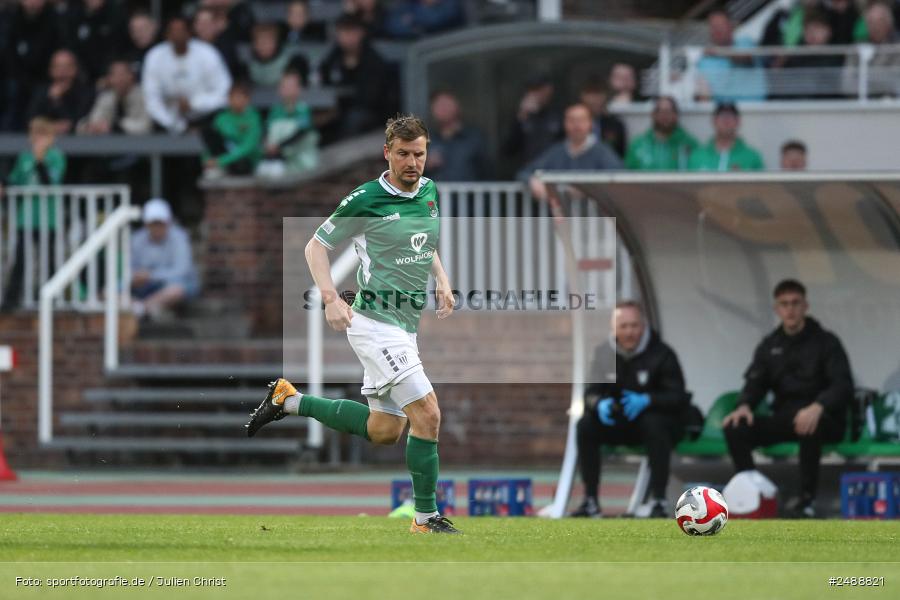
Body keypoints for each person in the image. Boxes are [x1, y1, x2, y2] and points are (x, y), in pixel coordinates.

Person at [246, 115, 461, 535]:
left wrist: (443, 280)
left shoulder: (430, 192)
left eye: (419, 154)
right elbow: (315, 247)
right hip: (374, 324)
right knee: (429, 414)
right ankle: (425, 519)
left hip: (404, 326)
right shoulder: (365, 199)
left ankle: (288, 401)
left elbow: (425, 242)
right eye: (403, 154)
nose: (412, 162)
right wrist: (329, 298)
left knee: (384, 430)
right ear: (387, 153)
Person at [722, 279, 853, 518]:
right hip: (785, 417)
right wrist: (743, 405)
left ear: (805, 306)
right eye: (784, 304)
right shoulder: (770, 345)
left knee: (808, 425)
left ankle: (806, 501)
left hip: (824, 419)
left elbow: (842, 385)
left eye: (795, 303)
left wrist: (818, 406)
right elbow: (755, 382)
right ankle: (754, 496)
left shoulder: (826, 342)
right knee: (736, 426)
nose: (790, 309)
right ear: (777, 309)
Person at [570, 301, 690, 518]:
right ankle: (590, 500)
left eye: (634, 326)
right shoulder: (603, 353)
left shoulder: (662, 354)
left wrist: (648, 400)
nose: (629, 332)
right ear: (613, 328)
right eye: (623, 326)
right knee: (585, 425)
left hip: (652, 425)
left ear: (643, 326)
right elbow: (590, 393)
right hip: (618, 422)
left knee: (654, 424)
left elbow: (677, 396)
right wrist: (598, 404)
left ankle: (659, 500)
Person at [1, 116, 66, 311]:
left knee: (49, 259)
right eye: (35, 133)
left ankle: (52, 297)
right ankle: (11, 299)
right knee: (20, 258)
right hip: (26, 218)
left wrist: (40, 159)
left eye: (42, 134)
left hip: (49, 218)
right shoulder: (24, 157)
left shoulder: (56, 156)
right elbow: (15, 180)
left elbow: (50, 181)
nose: (37, 138)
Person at [142, 16, 231, 134]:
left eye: (181, 31)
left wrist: (194, 104)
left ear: (190, 33)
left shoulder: (208, 54)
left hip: (207, 118)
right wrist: (175, 125)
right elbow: (151, 99)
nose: (177, 35)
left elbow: (224, 93)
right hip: (167, 121)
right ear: (166, 35)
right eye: (173, 31)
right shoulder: (155, 56)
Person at [518, 103, 623, 202]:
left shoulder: (602, 152)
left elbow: (620, 177)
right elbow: (525, 172)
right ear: (564, 123)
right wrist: (533, 180)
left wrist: (589, 189)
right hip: (562, 218)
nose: (576, 125)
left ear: (590, 123)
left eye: (581, 120)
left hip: (594, 218)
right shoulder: (556, 152)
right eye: (571, 120)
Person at [318, 13, 396, 140]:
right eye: (344, 32)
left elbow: (371, 99)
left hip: (372, 115)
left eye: (352, 31)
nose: (348, 37)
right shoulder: (333, 58)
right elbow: (324, 81)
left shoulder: (373, 60)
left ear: (361, 33)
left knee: (355, 118)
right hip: (338, 111)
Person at [130, 198, 199, 320]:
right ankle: (149, 309)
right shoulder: (137, 239)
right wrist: (135, 277)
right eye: (153, 223)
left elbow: (182, 270)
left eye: (160, 223)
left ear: (168, 222)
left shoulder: (179, 238)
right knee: (109, 292)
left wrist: (151, 275)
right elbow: (131, 268)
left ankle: (142, 308)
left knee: (176, 289)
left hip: (172, 284)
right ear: (146, 224)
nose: (157, 227)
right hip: (144, 286)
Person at [2, 0, 60, 131]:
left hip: (44, 75)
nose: (33, 2)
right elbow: (9, 55)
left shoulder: (52, 18)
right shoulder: (12, 18)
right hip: (17, 76)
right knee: (13, 89)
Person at [696, 9, 767, 101]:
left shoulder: (745, 42)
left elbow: (746, 58)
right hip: (721, 112)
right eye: (713, 26)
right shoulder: (704, 60)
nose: (717, 30)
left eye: (721, 25)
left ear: (731, 26)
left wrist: (718, 52)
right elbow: (702, 93)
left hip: (753, 109)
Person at [258, 70, 319, 177]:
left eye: (291, 86)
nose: (287, 89)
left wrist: (279, 147)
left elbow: (301, 133)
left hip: (299, 156)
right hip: (274, 154)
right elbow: (267, 129)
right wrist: (267, 143)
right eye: (284, 86)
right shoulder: (275, 110)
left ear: (298, 89)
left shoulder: (302, 109)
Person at [201, 81, 262, 178]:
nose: (237, 100)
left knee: (241, 165)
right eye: (233, 97)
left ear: (247, 99)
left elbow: (247, 147)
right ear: (229, 99)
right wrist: (207, 160)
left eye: (240, 97)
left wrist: (221, 161)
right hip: (225, 157)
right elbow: (212, 143)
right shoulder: (221, 118)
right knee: (207, 131)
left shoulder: (253, 118)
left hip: (246, 160)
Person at [426, 90, 490, 181]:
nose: (443, 109)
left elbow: (487, 172)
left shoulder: (474, 138)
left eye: (446, 104)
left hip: (470, 193)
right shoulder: (426, 141)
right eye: (438, 105)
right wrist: (425, 165)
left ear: (457, 106)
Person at [27, 49, 94, 135]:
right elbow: (31, 120)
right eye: (58, 67)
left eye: (67, 67)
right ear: (51, 70)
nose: (62, 72)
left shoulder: (85, 93)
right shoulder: (41, 92)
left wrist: (57, 101)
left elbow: (79, 122)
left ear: (75, 69)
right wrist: (50, 127)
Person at [503, 75, 562, 169]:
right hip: (528, 172)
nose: (540, 94)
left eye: (543, 90)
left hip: (554, 170)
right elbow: (508, 151)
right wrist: (521, 117)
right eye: (536, 90)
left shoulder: (557, 115)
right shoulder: (520, 117)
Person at [77, 61, 151, 135]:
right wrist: (91, 126)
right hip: (110, 144)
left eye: (123, 74)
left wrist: (115, 126)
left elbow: (146, 127)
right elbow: (93, 121)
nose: (119, 79)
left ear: (132, 76)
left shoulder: (144, 95)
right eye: (115, 75)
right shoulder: (106, 97)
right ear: (109, 78)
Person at [843, 2, 900, 98]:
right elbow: (846, 85)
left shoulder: (897, 48)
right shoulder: (855, 48)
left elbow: (895, 81)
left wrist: (863, 78)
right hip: (859, 105)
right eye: (871, 22)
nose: (876, 26)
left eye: (880, 21)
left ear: (889, 23)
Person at [625, 96, 698, 171]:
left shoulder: (690, 144)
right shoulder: (638, 145)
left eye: (669, 111)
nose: (665, 116)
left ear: (676, 115)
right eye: (661, 111)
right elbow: (628, 174)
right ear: (653, 115)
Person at [687, 102, 764, 171]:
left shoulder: (752, 157)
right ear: (713, 121)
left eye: (731, 116)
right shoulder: (697, 156)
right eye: (722, 115)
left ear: (738, 121)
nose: (726, 120)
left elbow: (762, 186)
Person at [246, 21, 309, 88]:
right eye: (260, 41)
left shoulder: (289, 60)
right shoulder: (248, 64)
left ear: (276, 43)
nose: (264, 45)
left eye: (269, 41)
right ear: (254, 45)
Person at [193, 6, 245, 80]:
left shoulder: (228, 48)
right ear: (195, 26)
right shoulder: (186, 46)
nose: (204, 27)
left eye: (207, 23)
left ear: (216, 25)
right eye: (200, 23)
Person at [578, 80, 627, 158]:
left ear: (605, 96)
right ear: (583, 96)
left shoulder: (615, 125)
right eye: (591, 94)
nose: (595, 99)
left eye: (599, 94)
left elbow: (621, 155)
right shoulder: (575, 124)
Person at [382, 0, 466, 39]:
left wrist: (413, 20)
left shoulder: (451, 3)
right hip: (420, 49)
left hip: (449, 44)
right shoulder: (407, 5)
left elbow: (436, 20)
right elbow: (393, 26)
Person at [122, 10, 160, 75]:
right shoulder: (127, 57)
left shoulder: (166, 53)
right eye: (134, 30)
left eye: (143, 29)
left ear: (154, 27)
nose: (138, 34)